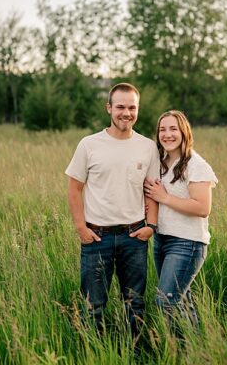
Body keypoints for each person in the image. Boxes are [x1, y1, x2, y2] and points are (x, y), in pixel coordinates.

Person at [66, 83, 160, 340]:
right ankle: (92, 359)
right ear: (109, 108)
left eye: (132, 107)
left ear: (137, 110)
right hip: (97, 238)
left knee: (135, 305)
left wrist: (151, 226)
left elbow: (152, 191)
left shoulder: (148, 147)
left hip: (134, 237)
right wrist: (81, 228)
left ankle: (138, 356)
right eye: (120, 106)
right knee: (93, 308)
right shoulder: (89, 144)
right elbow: (74, 189)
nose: (126, 113)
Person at [143, 110, 217, 331]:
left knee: (165, 301)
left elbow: (203, 208)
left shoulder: (196, 164)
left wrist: (165, 197)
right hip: (162, 240)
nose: (167, 134)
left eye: (173, 129)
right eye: (162, 130)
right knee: (182, 301)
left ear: (184, 132)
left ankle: (179, 353)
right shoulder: (161, 163)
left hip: (187, 243)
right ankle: (195, 354)